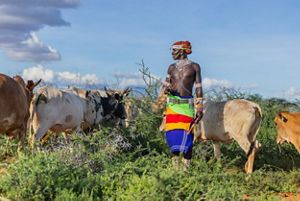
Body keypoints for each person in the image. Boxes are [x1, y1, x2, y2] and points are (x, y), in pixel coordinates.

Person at [163, 40, 204, 170]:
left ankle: (186, 171)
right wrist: (166, 90)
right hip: (172, 107)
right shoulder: (171, 68)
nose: (172, 53)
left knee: (187, 138)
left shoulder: (194, 67)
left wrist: (200, 108)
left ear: (181, 51)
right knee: (172, 137)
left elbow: (198, 88)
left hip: (187, 107)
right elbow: (165, 85)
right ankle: (175, 170)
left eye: (174, 50)